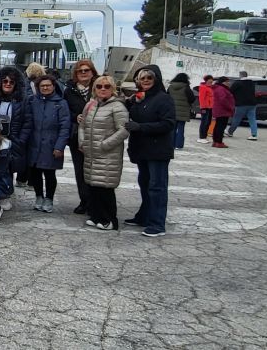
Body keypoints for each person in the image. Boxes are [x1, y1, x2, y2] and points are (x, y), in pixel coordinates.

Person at [123, 65, 176, 237]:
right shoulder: (140, 98)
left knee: (157, 187)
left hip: (157, 150)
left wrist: (141, 127)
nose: (145, 81)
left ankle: (157, 224)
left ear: (156, 79)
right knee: (145, 184)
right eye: (142, 78)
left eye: (149, 78)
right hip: (142, 149)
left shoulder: (164, 99)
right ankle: (144, 216)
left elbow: (168, 123)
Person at [79, 76, 129, 230]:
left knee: (105, 188)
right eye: (99, 86)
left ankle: (109, 220)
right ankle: (96, 217)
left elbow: (124, 130)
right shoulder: (92, 105)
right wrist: (82, 142)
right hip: (91, 153)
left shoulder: (117, 107)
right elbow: (82, 125)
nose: (102, 89)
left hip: (108, 154)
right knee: (93, 186)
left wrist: (104, 145)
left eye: (107, 86)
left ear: (113, 89)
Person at [20, 74, 71, 213]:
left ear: (53, 86)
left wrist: (59, 146)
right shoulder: (32, 101)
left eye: (48, 85)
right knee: (35, 172)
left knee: (49, 174)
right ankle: (38, 196)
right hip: (34, 143)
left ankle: (49, 198)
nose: (45, 88)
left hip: (51, 144)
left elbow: (65, 126)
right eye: (42, 86)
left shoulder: (61, 103)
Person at [62, 60, 97, 214]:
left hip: (97, 135)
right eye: (80, 71)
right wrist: (75, 116)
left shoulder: (99, 87)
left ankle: (96, 201)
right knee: (80, 170)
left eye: (86, 70)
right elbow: (64, 111)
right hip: (78, 136)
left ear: (92, 72)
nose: (83, 73)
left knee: (96, 170)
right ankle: (85, 200)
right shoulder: (69, 91)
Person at [167, 72, 195, 150]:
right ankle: (178, 145)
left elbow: (166, 97)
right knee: (181, 129)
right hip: (183, 112)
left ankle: (171, 144)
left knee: (172, 129)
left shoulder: (170, 87)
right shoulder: (186, 88)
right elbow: (192, 99)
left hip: (172, 111)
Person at [228, 71, 259, 141]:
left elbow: (230, 91)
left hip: (241, 104)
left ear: (240, 75)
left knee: (237, 119)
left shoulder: (237, 83)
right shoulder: (252, 83)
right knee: (252, 119)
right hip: (252, 104)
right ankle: (254, 135)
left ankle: (230, 132)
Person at [211, 76, 235, 149]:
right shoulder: (221, 89)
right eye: (227, 81)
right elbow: (223, 100)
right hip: (223, 110)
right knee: (221, 126)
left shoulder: (219, 88)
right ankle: (219, 142)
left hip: (220, 109)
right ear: (222, 82)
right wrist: (230, 107)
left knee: (218, 125)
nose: (228, 83)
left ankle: (215, 141)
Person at [197, 75, 215, 143]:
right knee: (204, 122)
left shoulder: (210, 88)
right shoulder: (203, 87)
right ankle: (201, 137)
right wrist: (203, 107)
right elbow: (201, 98)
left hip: (210, 107)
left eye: (211, 82)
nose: (211, 83)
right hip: (205, 107)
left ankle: (204, 136)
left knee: (208, 122)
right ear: (206, 81)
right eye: (210, 81)